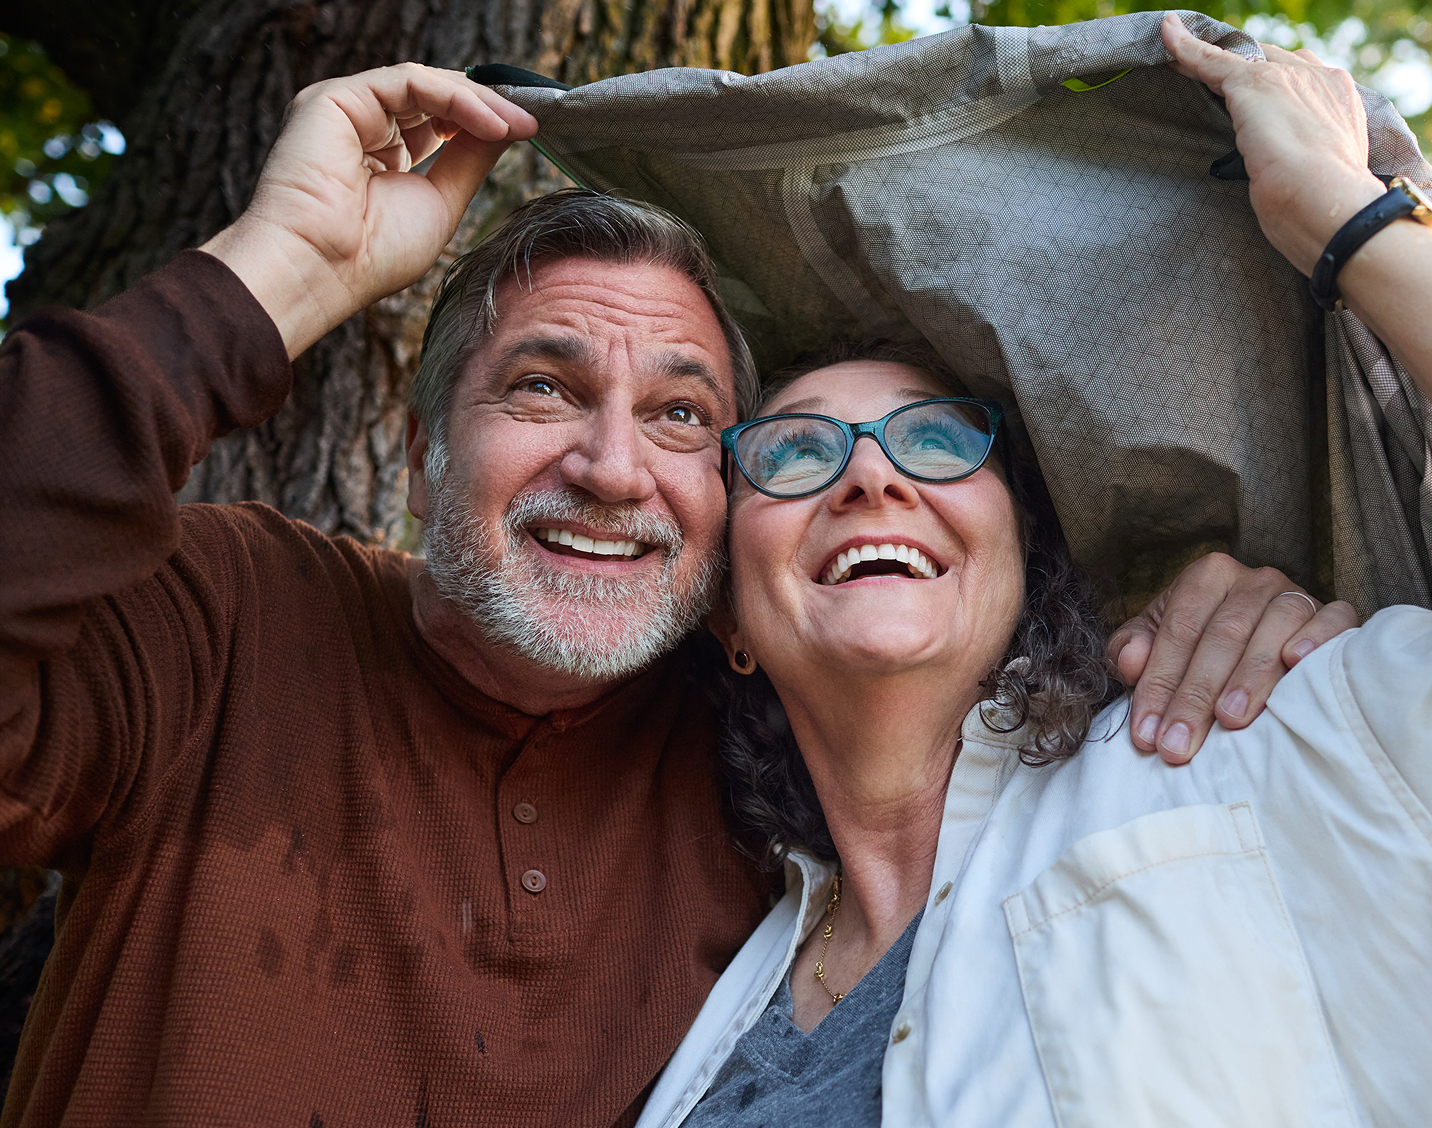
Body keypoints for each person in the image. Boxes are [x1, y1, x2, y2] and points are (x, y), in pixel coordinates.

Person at [0, 60, 1344, 1125]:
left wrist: (1199, 597)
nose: (612, 468)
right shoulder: (221, 618)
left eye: (685, 413)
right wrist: (290, 263)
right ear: (420, 449)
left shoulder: (765, 753)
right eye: (544, 387)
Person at [636, 18, 1432, 1128]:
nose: (870, 478)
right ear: (730, 617)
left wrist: (1344, 216)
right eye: (794, 453)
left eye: (938, 439)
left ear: (1023, 557)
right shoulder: (706, 1000)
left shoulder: (1281, 747)